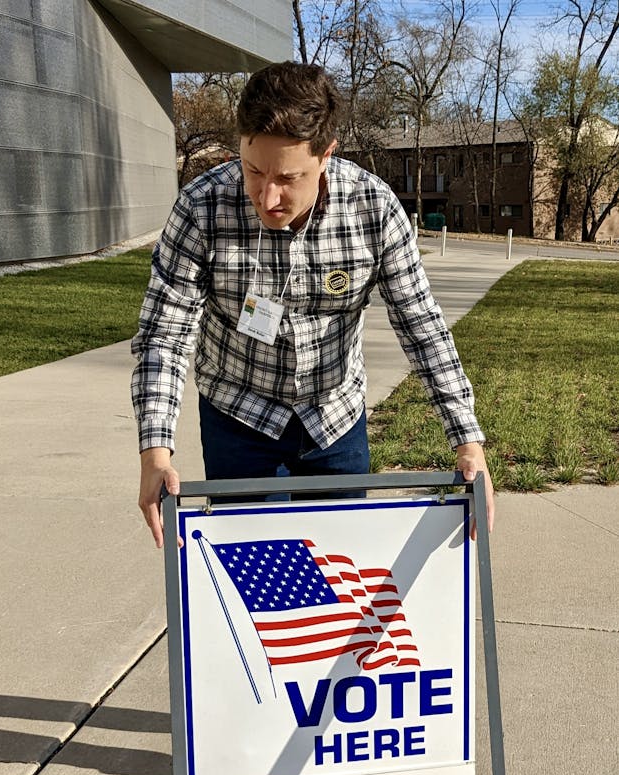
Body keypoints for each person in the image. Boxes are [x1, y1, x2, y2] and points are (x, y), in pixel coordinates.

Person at [131, 61, 494, 547]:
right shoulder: (202, 207)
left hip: (334, 418)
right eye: (253, 169)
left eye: (288, 176)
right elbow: (164, 335)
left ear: (326, 155)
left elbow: (422, 325)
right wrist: (155, 451)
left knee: (341, 568)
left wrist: (468, 442)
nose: (267, 195)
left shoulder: (373, 208)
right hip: (237, 412)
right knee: (248, 568)